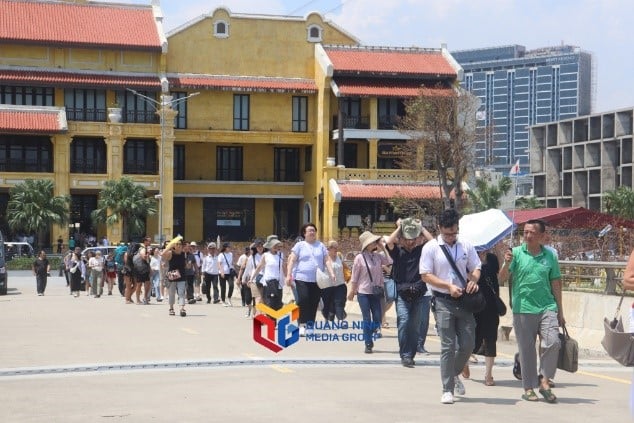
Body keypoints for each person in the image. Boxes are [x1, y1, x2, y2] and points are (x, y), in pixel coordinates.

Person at [499, 219, 564, 403]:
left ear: (542, 236)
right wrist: (505, 263)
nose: (527, 236)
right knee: (527, 350)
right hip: (523, 309)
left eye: (532, 233)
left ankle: (544, 381)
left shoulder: (550, 256)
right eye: (525, 232)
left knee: (553, 342)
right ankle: (528, 388)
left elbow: (556, 283)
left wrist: (560, 311)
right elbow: (501, 278)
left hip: (547, 307)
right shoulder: (516, 254)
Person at [420, 208, 481, 405]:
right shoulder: (431, 247)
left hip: (464, 301)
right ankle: (447, 388)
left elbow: (476, 267)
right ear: (439, 229)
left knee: (469, 344)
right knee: (448, 345)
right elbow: (425, 275)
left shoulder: (466, 246)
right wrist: (447, 286)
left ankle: (453, 373)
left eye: (454, 232)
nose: (450, 236)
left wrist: (473, 280)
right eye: (447, 233)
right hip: (442, 300)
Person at [384, 218, 433, 368]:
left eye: (413, 238)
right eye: (407, 239)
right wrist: (400, 227)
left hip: (419, 294)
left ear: (418, 238)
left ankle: (410, 355)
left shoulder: (422, 251)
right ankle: (405, 354)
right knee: (404, 322)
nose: (410, 242)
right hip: (403, 295)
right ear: (402, 240)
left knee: (414, 326)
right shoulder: (398, 252)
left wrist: (421, 227)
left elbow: (434, 243)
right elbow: (389, 242)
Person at [286, 223, 335, 336]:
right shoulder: (300, 246)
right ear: (304, 233)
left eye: (314, 230)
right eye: (310, 231)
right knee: (303, 299)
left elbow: (326, 260)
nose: (312, 232)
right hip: (301, 278)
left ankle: (310, 325)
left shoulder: (320, 245)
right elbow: (292, 260)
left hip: (316, 279)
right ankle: (302, 325)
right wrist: (288, 275)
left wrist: (331, 273)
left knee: (314, 302)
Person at [347, 231, 392, 353]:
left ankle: (368, 332)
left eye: (375, 241)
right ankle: (368, 342)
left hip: (376, 292)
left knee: (377, 319)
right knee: (367, 318)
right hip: (363, 292)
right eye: (373, 242)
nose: (375, 243)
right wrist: (352, 291)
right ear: (366, 245)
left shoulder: (377, 257)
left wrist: (383, 247)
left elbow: (389, 261)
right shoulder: (359, 258)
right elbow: (354, 276)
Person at [462, 250, 501, 386]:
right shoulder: (467, 257)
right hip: (473, 304)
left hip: (490, 306)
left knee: (491, 339)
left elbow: (498, 277)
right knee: (471, 339)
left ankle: (488, 374)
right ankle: (464, 362)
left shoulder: (492, 258)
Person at [251, 237, 285, 311]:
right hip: (268, 283)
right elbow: (259, 267)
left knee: (278, 305)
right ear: (270, 246)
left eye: (277, 245)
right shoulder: (266, 255)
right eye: (274, 245)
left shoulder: (281, 255)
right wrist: (252, 278)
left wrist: (288, 277)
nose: (276, 247)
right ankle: (270, 321)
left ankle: (271, 320)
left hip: (279, 283)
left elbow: (284, 267)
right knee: (270, 303)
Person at [320, 240, 347, 322]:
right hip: (327, 285)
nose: (335, 249)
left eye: (336, 247)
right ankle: (327, 317)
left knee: (340, 301)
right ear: (328, 248)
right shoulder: (324, 258)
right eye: (333, 247)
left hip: (340, 284)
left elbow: (344, 266)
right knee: (327, 303)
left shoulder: (339, 256)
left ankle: (340, 319)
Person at [162, 236, 187, 316]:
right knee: (172, 293)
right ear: (174, 246)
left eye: (180, 244)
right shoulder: (170, 253)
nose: (179, 245)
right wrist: (169, 247)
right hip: (172, 275)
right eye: (177, 244)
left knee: (181, 292)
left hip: (182, 275)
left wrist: (188, 265)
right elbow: (162, 254)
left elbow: (185, 265)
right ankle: (171, 308)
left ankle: (182, 308)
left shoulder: (184, 254)